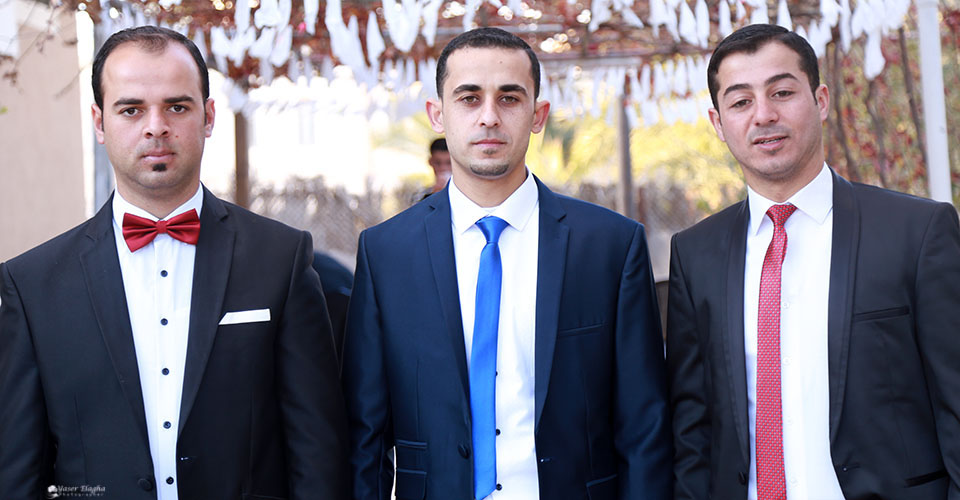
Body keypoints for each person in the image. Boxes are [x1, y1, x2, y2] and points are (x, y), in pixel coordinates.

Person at [0, 26, 348, 499]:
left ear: (208, 116)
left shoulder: (281, 259)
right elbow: (18, 470)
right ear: (99, 123)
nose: (156, 126)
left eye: (177, 107)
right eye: (131, 109)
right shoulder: (33, 284)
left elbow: (319, 454)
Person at [341, 27, 671, 500]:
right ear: (438, 113)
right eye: (469, 98)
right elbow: (364, 435)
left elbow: (644, 426)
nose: (489, 117)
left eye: (509, 98)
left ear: (538, 115)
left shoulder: (611, 246)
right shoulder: (385, 252)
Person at [667, 23, 960, 499]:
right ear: (718, 124)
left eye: (782, 93)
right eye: (740, 102)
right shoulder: (695, 253)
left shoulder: (917, 232)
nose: (764, 115)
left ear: (820, 100)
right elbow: (692, 427)